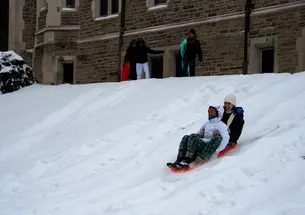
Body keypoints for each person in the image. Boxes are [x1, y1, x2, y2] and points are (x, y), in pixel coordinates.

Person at [167, 105, 230, 170]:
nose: (209, 113)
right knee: (186, 137)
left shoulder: (222, 125)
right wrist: (201, 134)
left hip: (209, 147)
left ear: (217, 113)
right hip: (203, 143)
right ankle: (179, 159)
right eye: (208, 111)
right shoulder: (207, 123)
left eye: (211, 111)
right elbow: (197, 134)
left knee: (217, 138)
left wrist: (216, 151)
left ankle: (189, 160)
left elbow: (225, 139)